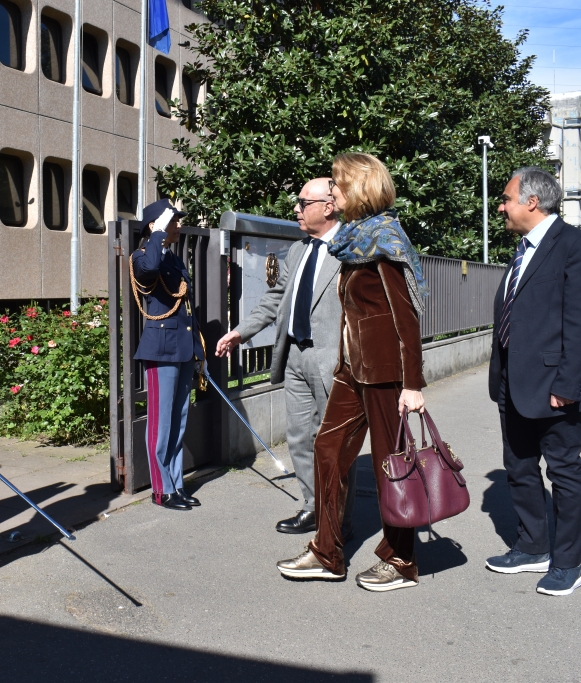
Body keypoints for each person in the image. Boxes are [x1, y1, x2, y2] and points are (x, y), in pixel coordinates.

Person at [276, 152, 427, 592]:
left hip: (384, 374)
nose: (333, 193)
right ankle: (328, 552)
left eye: (338, 186)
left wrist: (413, 384)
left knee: (389, 466)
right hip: (351, 369)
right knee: (328, 450)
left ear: (358, 189)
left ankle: (401, 560)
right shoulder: (355, 240)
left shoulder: (384, 241)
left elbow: (407, 318)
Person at [484, 167, 581, 597]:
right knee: (518, 465)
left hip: (556, 385)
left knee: (564, 471)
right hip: (514, 383)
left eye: (506, 199)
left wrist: (568, 384)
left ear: (532, 202)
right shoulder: (523, 249)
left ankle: (569, 563)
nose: (501, 206)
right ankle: (533, 546)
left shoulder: (574, 246)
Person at [215, 178, 357, 536]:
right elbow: (275, 298)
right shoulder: (298, 250)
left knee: (335, 443)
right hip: (295, 357)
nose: (295, 209)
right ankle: (313, 507)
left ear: (328, 206)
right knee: (299, 437)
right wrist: (240, 331)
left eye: (302, 202)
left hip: (332, 360)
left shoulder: (352, 249)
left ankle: (337, 517)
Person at [130, 199, 204, 511]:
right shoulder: (143, 255)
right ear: (155, 225)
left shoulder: (172, 258)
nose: (177, 226)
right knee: (160, 425)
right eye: (172, 221)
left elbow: (186, 309)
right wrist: (157, 235)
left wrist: (198, 351)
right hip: (161, 350)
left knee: (178, 421)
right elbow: (147, 271)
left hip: (182, 348)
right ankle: (161, 490)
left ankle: (176, 484)